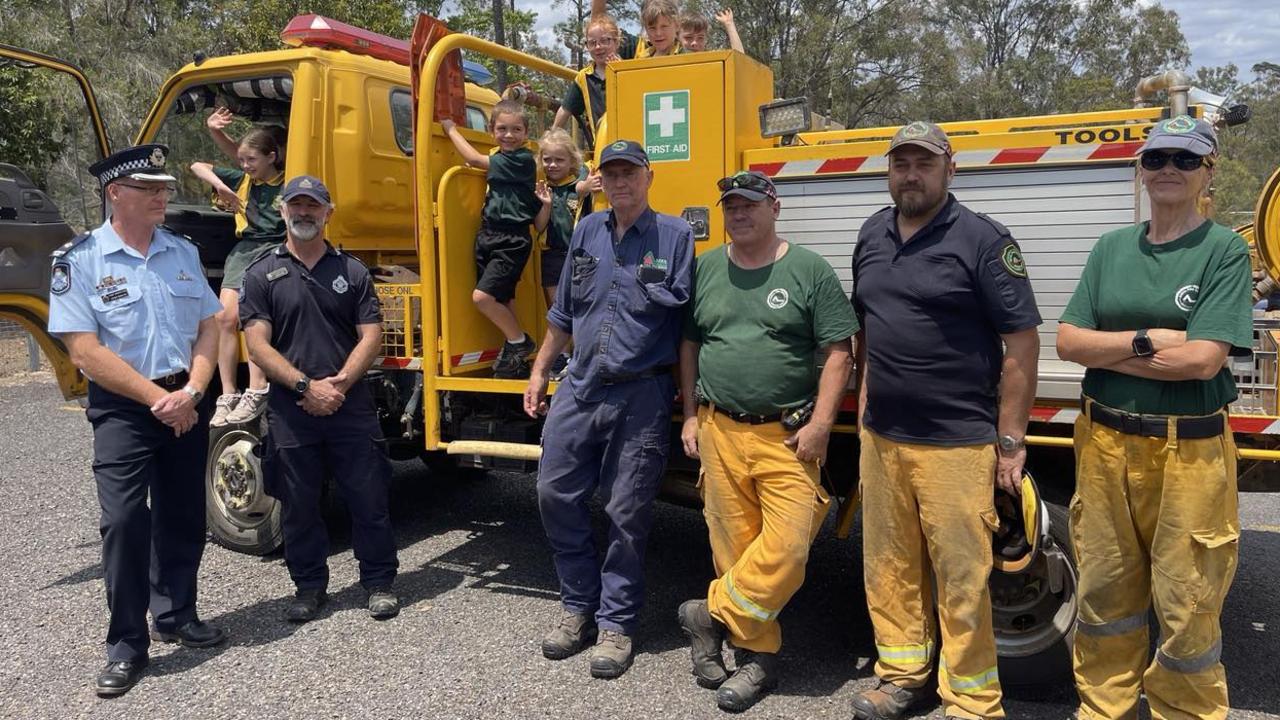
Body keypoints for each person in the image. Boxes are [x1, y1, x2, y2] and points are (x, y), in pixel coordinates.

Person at [1056, 115, 1252, 720]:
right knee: (1104, 594)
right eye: (1157, 158)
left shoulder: (1223, 250)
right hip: (1104, 443)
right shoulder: (1111, 248)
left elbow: (1201, 360)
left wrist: (1110, 350)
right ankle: (1102, 709)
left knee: (1187, 600)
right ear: (1140, 171)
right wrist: (1145, 341)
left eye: (1185, 161)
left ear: (1207, 174)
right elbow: (1066, 343)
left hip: (1188, 452)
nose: (1169, 169)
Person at [850, 121, 1041, 720]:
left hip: (958, 442)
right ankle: (902, 675)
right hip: (882, 438)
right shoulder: (871, 233)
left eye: (923, 164)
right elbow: (866, 331)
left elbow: (1023, 344)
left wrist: (1010, 441)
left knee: (962, 578)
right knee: (889, 566)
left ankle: (972, 700)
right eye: (901, 163)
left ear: (949, 170)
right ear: (889, 171)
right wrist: (861, 417)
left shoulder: (983, 240)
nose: (911, 174)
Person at [47, 144, 227, 697]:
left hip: (184, 398)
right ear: (115, 194)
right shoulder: (78, 260)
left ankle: (175, 613)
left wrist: (194, 390)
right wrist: (159, 400)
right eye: (150, 188)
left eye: (164, 187)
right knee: (125, 521)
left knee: (182, 514)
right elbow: (84, 351)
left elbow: (210, 326)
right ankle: (127, 645)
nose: (163, 196)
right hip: (126, 409)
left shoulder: (181, 251)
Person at [677, 171, 857, 711]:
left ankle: (706, 614)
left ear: (774, 208)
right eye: (730, 206)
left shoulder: (807, 270)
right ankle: (757, 660)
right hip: (717, 430)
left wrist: (822, 423)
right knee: (732, 549)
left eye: (750, 205)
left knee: (790, 549)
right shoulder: (706, 267)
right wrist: (688, 415)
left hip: (786, 437)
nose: (739, 214)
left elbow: (841, 351)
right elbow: (689, 345)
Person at [523, 140, 694, 679]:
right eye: (611, 174)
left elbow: (687, 329)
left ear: (649, 176)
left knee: (627, 511)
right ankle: (578, 608)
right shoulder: (587, 230)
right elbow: (565, 311)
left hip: (641, 393)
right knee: (554, 492)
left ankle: (616, 623)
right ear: (600, 179)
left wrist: (689, 406)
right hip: (579, 383)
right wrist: (539, 368)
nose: (620, 183)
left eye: (630, 173)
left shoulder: (677, 235)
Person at [239, 175, 400, 623]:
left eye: (313, 206)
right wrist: (307, 388)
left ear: (329, 213)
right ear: (282, 211)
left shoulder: (352, 271)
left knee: (369, 499)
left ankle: (379, 582)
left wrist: (340, 385)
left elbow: (372, 336)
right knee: (299, 505)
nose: (304, 213)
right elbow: (257, 345)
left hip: (350, 406)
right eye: (296, 206)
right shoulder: (259, 274)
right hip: (293, 410)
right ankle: (309, 588)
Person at [190, 108, 287, 427]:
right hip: (244, 249)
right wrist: (222, 188)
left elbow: (243, 152)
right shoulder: (245, 179)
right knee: (223, 317)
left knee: (253, 317)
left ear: (272, 157)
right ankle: (229, 393)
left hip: (273, 247)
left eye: (251, 161)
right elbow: (197, 166)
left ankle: (258, 388)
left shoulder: (287, 180)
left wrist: (220, 135)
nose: (244, 166)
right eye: (242, 162)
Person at [441, 100, 541, 378]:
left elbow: (474, 160)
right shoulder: (500, 156)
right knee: (502, 298)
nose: (509, 135)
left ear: (526, 133)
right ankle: (514, 352)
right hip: (489, 234)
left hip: (512, 239)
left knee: (482, 297)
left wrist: (450, 129)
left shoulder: (521, 160)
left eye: (516, 129)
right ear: (491, 130)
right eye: (502, 129)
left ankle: (520, 342)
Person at [533, 128, 593, 378]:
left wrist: (586, 187)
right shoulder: (543, 188)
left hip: (578, 254)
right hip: (553, 255)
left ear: (572, 161)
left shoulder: (578, 184)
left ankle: (581, 355)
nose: (553, 165)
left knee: (581, 305)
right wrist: (545, 204)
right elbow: (539, 226)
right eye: (547, 159)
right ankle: (562, 356)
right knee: (558, 308)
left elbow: (579, 190)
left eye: (559, 159)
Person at [679, 9, 745, 53]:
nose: (695, 43)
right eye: (688, 37)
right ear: (678, 36)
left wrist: (729, 25)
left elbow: (739, 60)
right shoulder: (670, 57)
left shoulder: (712, 59)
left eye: (700, 38)